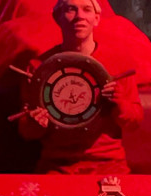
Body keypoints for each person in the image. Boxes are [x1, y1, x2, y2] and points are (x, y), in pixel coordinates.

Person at [18, 0, 143, 174]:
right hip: (57, 166)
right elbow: (26, 131)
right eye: (71, 9)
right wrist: (35, 123)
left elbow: (134, 122)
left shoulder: (119, 62)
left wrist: (120, 102)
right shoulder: (39, 67)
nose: (80, 16)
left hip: (108, 164)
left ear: (96, 18)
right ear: (58, 17)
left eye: (87, 10)